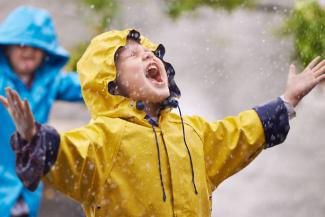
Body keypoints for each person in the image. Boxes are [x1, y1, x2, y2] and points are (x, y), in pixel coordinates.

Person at [1, 29, 325, 217]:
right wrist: (32, 136)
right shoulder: (105, 140)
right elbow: (67, 156)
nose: (147, 56)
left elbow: (239, 133)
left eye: (149, 52)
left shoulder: (192, 132)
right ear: (110, 84)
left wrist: (287, 101)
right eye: (130, 56)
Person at [0, 6, 83, 217]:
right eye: (20, 44)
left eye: (37, 46)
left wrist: (123, 82)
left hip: (28, 183)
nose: (28, 50)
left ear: (47, 52)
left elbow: (85, 86)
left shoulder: (49, 82)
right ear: (6, 48)